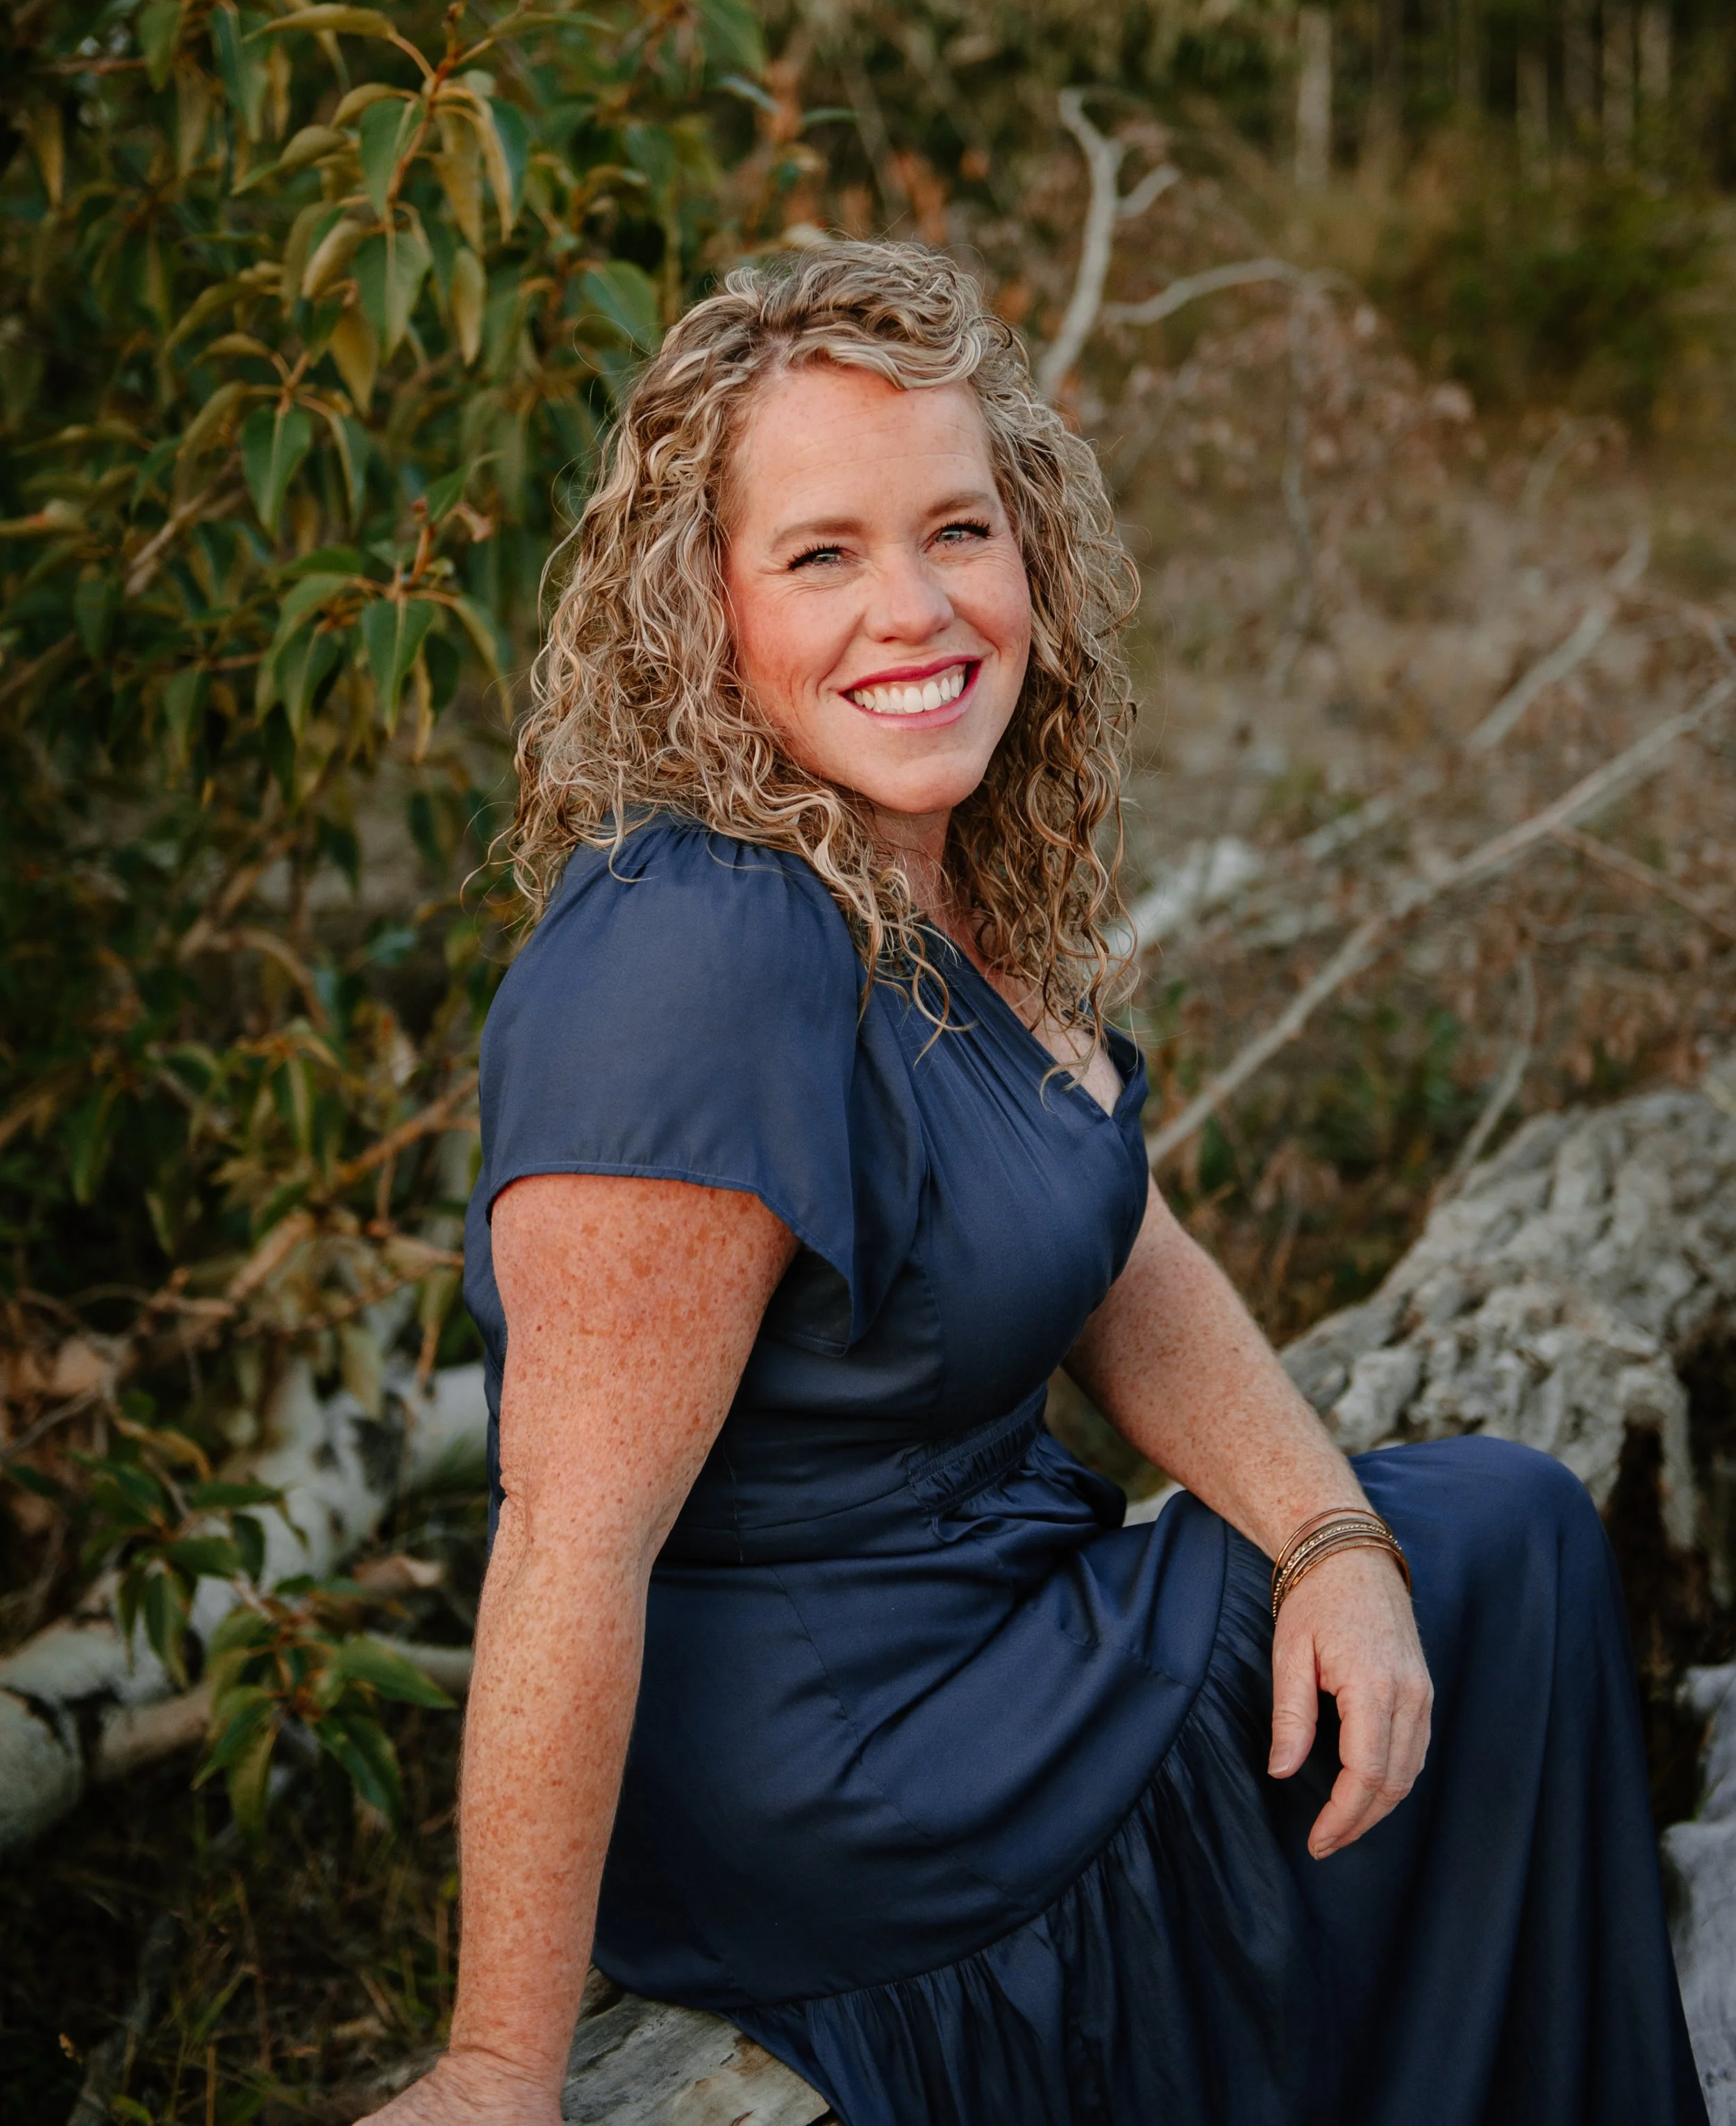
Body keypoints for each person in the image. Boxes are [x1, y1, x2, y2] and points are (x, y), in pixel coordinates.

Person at [372, 240, 1705, 2126]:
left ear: (1032, 552)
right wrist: (501, 2063)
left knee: (1472, 1545)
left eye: (956, 532)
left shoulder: (920, 866)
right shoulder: (697, 954)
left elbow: (1113, 1247)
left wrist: (1324, 1535)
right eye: (820, 551)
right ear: (703, 607)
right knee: (1501, 1540)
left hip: (995, 1626)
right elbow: (562, 1540)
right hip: (859, 1779)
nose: (913, 608)